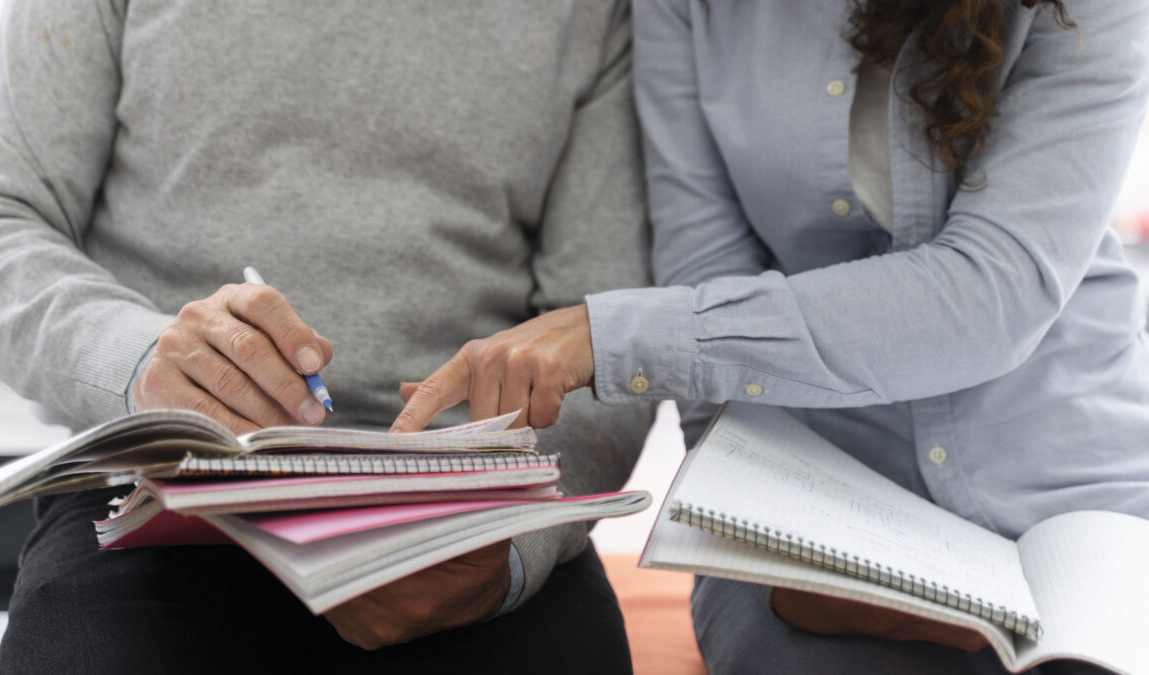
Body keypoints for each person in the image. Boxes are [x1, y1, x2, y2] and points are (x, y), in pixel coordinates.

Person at [392, 0, 1149, 672]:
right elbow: (704, 267)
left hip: (1071, 501)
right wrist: (780, 545)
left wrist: (614, 334)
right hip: (814, 513)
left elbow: (992, 292)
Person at [0, 1, 654, 672]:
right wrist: (142, 364)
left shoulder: (597, 13)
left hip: (471, 527)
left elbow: (613, 336)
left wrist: (518, 550)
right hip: (162, 491)